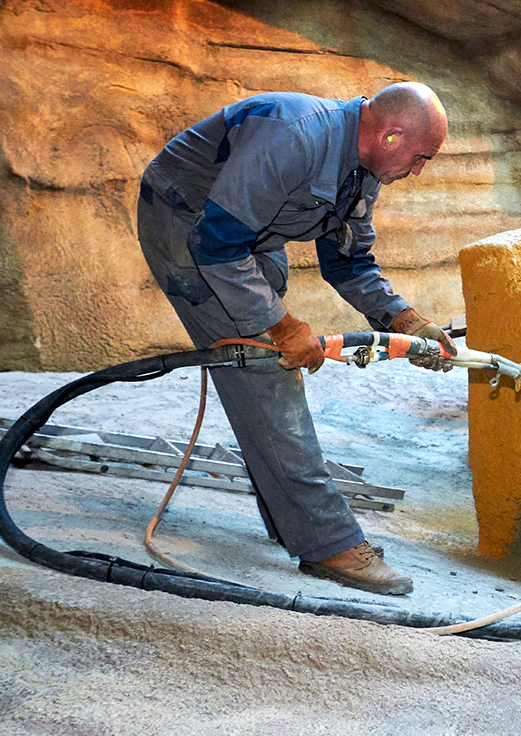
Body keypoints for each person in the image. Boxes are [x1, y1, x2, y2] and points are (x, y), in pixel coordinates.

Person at [136, 82, 456, 595]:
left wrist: (404, 322)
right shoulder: (295, 136)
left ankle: (292, 520)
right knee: (266, 366)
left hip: (248, 234)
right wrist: (284, 328)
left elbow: (347, 261)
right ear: (392, 136)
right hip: (188, 223)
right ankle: (328, 544)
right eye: (420, 158)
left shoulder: (364, 168)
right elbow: (216, 242)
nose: (418, 171)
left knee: (260, 364)